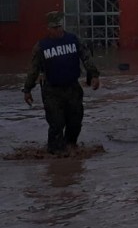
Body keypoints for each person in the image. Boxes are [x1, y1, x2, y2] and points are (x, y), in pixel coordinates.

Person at [22, 11, 100, 154]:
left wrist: (94, 75)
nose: (58, 30)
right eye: (55, 28)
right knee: (56, 123)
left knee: (75, 122)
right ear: (48, 29)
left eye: (60, 27)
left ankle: (71, 149)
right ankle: (54, 155)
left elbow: (86, 58)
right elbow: (33, 70)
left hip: (72, 88)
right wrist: (27, 90)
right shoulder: (41, 46)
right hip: (52, 91)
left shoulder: (74, 40)